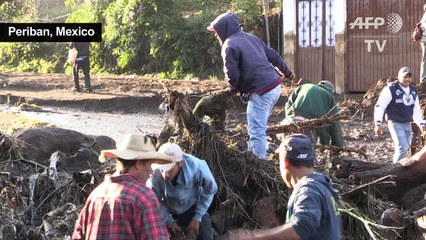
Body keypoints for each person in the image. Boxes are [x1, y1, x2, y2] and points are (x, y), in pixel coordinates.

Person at [207, 12, 294, 159]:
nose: (216, 36)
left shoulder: (229, 45)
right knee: (259, 125)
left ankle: (258, 163)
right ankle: (261, 149)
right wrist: (286, 72)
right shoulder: (252, 38)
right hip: (275, 87)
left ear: (224, 30)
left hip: (261, 91)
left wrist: (232, 88)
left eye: (216, 32)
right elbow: (273, 55)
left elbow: (231, 73)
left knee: (256, 130)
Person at [226, 134, 341, 240]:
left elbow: (302, 227)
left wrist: (254, 237)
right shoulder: (323, 186)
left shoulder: (307, 190)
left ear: (285, 163)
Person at [72, 134, 171, 240]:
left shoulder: (96, 194)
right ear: (138, 164)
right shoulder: (144, 197)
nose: (152, 171)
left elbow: (77, 235)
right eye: (150, 165)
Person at [150, 142, 218, 240]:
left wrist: (197, 217)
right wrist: (169, 221)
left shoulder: (197, 166)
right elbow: (155, 201)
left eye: (169, 170)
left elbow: (211, 189)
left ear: (180, 163)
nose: (165, 175)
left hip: (194, 207)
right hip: (169, 209)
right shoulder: (154, 173)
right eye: (162, 170)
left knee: (206, 237)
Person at [374, 67, 425, 164]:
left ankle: (399, 168)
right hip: (395, 123)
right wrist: (378, 123)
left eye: (409, 77)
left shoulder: (413, 91)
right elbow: (380, 106)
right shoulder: (391, 89)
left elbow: (416, 111)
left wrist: (421, 125)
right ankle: (395, 171)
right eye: (404, 77)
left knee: (405, 149)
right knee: (403, 147)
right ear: (399, 77)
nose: (407, 79)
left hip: (407, 123)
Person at [283, 80, 344, 147]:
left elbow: (288, 104)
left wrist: (289, 117)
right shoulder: (329, 96)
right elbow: (335, 122)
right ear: (331, 90)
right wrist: (338, 144)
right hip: (309, 124)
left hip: (290, 120)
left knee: (286, 146)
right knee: (308, 150)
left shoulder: (304, 86)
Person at [419, 4, 426, 83]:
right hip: (425, 41)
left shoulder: (424, 16)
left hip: (423, 41)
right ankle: (423, 79)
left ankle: (423, 78)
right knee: (424, 60)